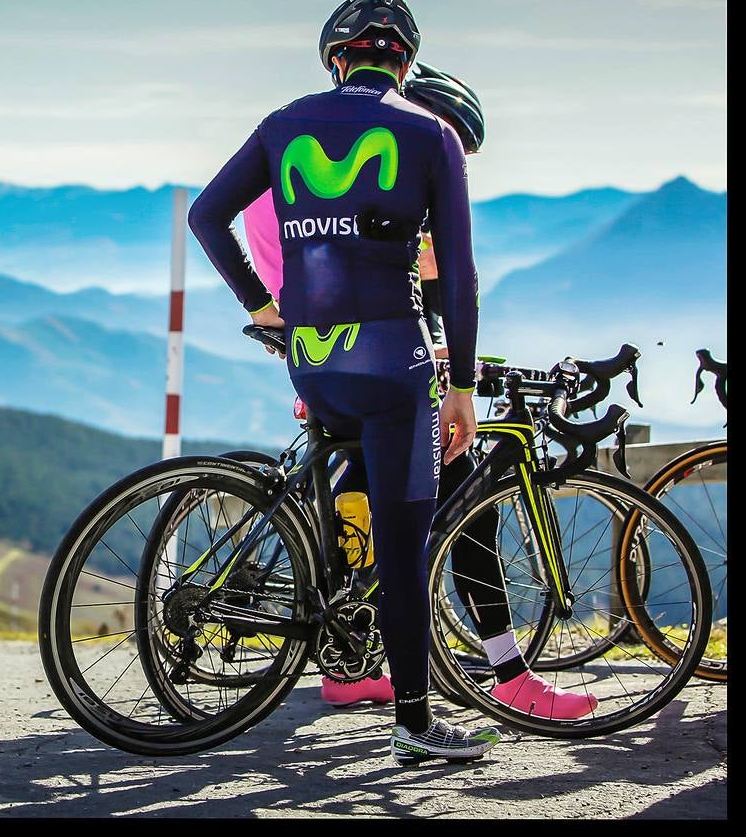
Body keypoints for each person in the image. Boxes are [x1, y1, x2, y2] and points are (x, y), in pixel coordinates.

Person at [189, 0, 494, 765]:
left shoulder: (283, 125)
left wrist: (261, 304)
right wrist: (460, 385)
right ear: (405, 61)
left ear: (335, 57)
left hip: (314, 363)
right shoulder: (432, 135)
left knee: (342, 497)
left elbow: (204, 216)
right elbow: (456, 277)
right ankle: (416, 725)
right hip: (397, 366)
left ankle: (332, 635)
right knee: (403, 544)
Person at [240, 63, 596, 723]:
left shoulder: (354, 180)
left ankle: (350, 664)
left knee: (370, 485)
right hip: (347, 352)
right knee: (460, 488)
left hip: (328, 353)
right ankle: (506, 675)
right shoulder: (367, 192)